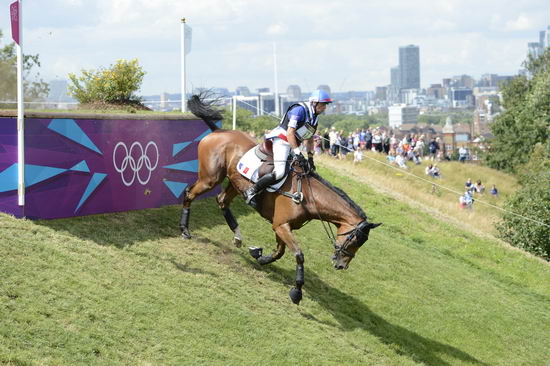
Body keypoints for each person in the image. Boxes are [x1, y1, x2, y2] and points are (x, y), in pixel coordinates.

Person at [243, 89, 333, 208]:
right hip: (282, 140)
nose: (324, 108)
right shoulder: (299, 110)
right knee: (280, 172)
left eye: (325, 105)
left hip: (293, 144)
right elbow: (290, 133)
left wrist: (310, 157)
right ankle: (251, 191)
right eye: (323, 104)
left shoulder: (314, 118)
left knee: (300, 169)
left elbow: (309, 138)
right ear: (315, 103)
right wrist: (297, 153)